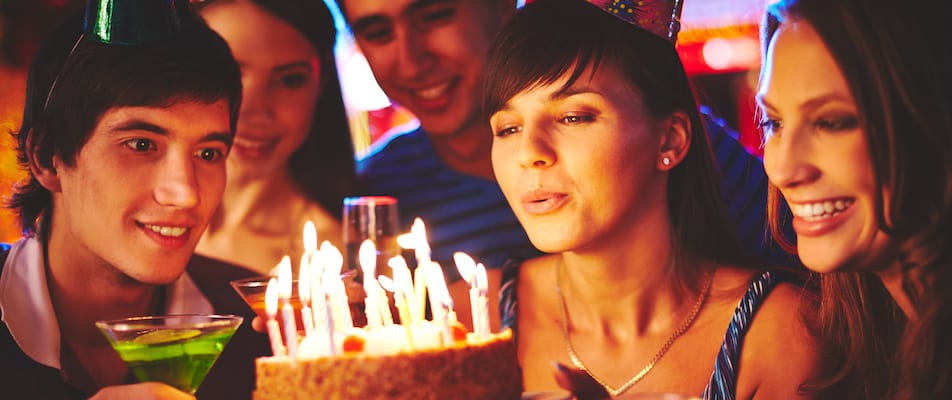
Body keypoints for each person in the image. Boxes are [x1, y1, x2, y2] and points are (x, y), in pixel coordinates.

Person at [485, 0, 821, 398]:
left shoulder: (780, 336)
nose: (529, 153)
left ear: (670, 139)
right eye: (508, 128)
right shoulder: (470, 320)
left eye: (573, 117)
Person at [334, 0, 790, 282]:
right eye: (377, 32)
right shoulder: (374, 196)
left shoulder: (674, 143)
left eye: (435, 15)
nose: (411, 60)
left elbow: (806, 271)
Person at [0, 1, 269, 399]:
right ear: (46, 158)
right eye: (141, 144)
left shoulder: (256, 325)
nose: (185, 193)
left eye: (208, 153)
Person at [757, 0, 952, 398]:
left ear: (940, 123)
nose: (783, 170)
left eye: (832, 123)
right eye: (775, 123)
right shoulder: (887, 328)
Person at [194, 0, 360, 274]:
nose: (255, 112)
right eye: (227, 73)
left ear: (321, 86)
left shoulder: (327, 260)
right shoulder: (128, 215)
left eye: (290, 80)